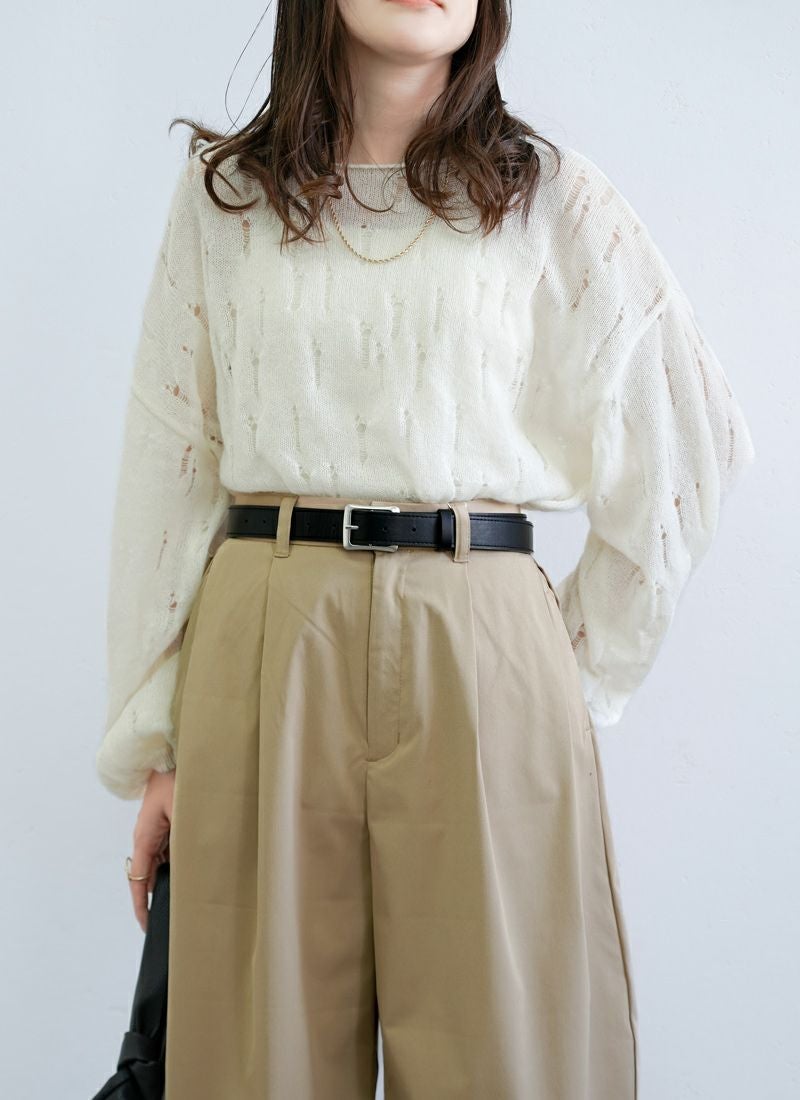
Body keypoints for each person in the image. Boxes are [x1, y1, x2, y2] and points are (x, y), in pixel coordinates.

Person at [96, 1, 755, 1097]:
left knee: (505, 1061)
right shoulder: (227, 199)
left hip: (483, 648)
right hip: (268, 646)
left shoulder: (549, 198)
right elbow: (170, 467)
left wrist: (562, 670)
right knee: (258, 1066)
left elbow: (689, 440)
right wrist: (156, 740)